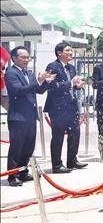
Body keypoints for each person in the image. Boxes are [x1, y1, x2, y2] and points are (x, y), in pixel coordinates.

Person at [4, 47, 54, 186]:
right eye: (23, 57)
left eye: (28, 57)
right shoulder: (11, 73)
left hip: (31, 116)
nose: (27, 60)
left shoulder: (29, 73)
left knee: (28, 146)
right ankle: (12, 175)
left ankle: (23, 171)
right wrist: (37, 82)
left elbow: (37, 90)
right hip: (18, 116)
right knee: (17, 147)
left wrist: (45, 82)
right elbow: (18, 90)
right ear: (14, 58)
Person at [44, 42, 87, 173]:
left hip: (71, 106)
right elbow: (51, 86)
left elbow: (72, 85)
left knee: (75, 133)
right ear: (59, 53)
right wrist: (70, 83)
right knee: (58, 136)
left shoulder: (72, 67)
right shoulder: (52, 66)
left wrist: (77, 85)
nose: (70, 53)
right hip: (57, 108)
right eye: (67, 50)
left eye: (71, 50)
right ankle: (57, 165)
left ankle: (72, 160)